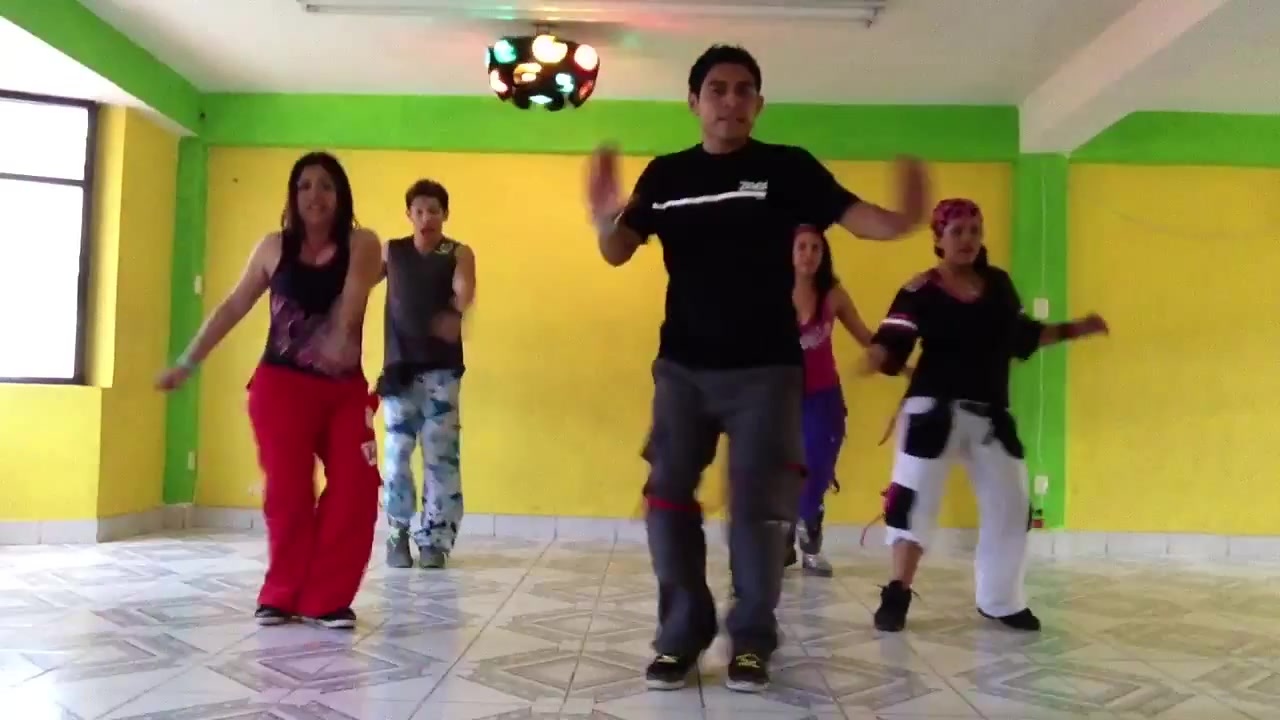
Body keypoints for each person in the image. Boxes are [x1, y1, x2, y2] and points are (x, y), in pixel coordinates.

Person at [584, 44, 929, 693]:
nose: (731, 100)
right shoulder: (666, 175)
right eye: (717, 89)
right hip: (683, 369)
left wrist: (906, 218)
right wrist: (605, 215)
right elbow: (617, 251)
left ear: (759, 103)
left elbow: (863, 219)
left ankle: (750, 641)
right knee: (666, 497)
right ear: (694, 101)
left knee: (759, 510)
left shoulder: (788, 168)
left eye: (744, 89)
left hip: (767, 371)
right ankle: (681, 636)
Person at [156, 151, 384, 630]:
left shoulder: (362, 243)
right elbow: (231, 307)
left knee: (358, 488)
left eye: (326, 186)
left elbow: (353, 301)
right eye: (305, 186)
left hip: (344, 390)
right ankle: (281, 593)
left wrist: (339, 339)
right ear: (293, 196)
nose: (315, 195)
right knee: (288, 492)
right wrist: (186, 363)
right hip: (282, 388)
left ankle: (326, 599)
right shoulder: (272, 247)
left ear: (341, 196)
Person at [862, 198, 1109, 634]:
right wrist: (878, 355)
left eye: (975, 230)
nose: (968, 239)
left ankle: (1001, 601)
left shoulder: (998, 286)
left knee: (1012, 505)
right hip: (931, 410)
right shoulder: (920, 289)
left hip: (990, 415)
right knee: (912, 501)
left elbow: (1022, 336)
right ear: (938, 239)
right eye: (957, 231)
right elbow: (893, 341)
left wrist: (1075, 328)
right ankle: (897, 593)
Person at [377, 179, 476, 570]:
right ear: (409, 214)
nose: (426, 218)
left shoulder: (457, 252)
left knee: (441, 457)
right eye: (418, 211)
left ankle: (435, 541)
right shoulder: (392, 251)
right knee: (396, 455)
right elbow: (359, 280)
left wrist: (455, 310)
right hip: (399, 371)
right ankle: (397, 533)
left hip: (442, 374)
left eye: (433, 210)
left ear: (445, 214)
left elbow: (465, 288)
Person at [785, 225, 874, 577]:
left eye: (815, 248)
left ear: (824, 255)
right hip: (780, 396)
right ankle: (781, 543)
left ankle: (810, 546)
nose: (808, 254)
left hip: (823, 397)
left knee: (818, 469)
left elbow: (866, 336)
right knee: (780, 472)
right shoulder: (771, 291)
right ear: (790, 253)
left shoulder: (833, 295)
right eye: (802, 247)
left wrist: (899, 361)